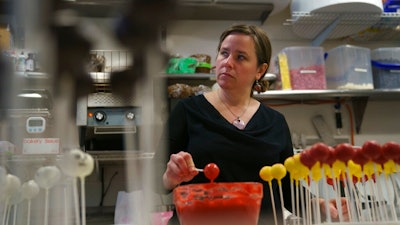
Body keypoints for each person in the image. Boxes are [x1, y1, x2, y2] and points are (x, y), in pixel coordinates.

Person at [160, 24, 348, 224]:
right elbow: (154, 178)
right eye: (224, 53)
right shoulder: (188, 111)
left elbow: (287, 188)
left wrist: (318, 205)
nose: (228, 62)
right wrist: (169, 177)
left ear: (260, 70)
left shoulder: (275, 122)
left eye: (240, 57)